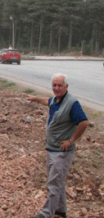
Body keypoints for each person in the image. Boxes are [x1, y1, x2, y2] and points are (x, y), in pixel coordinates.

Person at [26, 73, 89, 218]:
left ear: (66, 86)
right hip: (52, 148)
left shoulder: (72, 103)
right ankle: (61, 210)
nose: (56, 88)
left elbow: (84, 122)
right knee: (58, 180)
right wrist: (35, 99)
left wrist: (71, 140)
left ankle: (47, 214)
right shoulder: (55, 99)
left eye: (60, 85)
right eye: (54, 85)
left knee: (54, 184)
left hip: (62, 152)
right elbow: (47, 101)